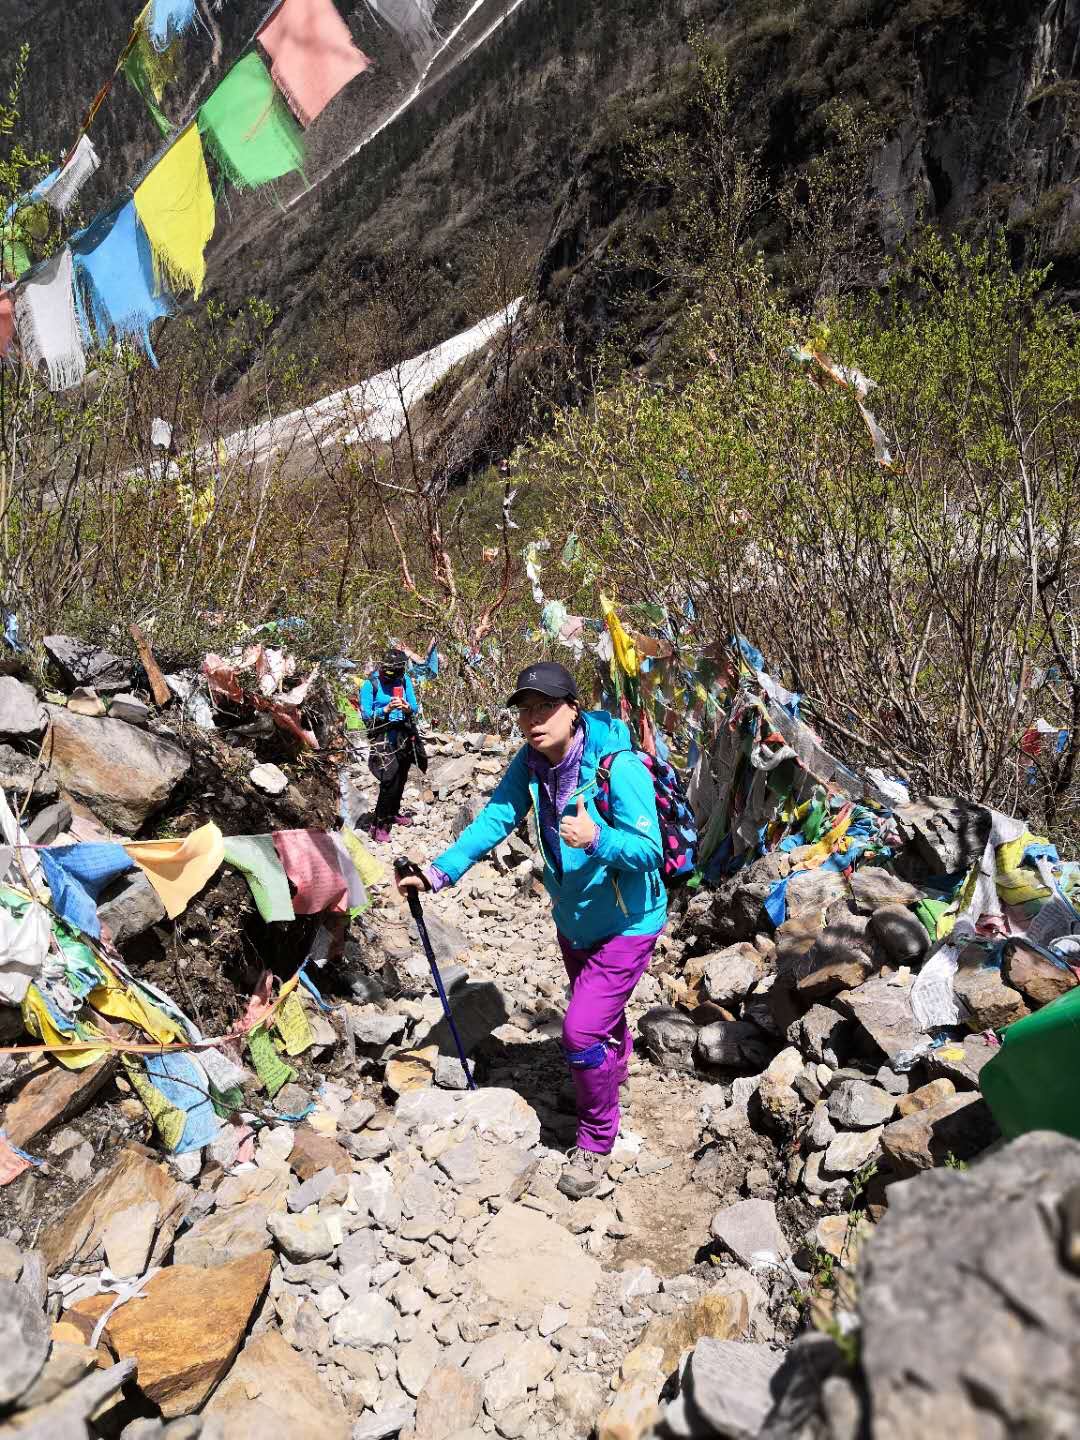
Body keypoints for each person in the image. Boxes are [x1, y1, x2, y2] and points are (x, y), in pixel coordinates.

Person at [396, 661, 666, 1199]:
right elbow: (496, 817)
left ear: (573, 708)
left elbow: (650, 852)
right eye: (525, 709)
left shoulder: (619, 767)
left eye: (545, 707)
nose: (533, 719)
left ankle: (595, 1141)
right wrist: (438, 871)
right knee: (601, 1026)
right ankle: (607, 1084)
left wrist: (598, 839)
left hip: (628, 923)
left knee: (581, 1032)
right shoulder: (533, 762)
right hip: (574, 920)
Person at [361, 649, 421, 843]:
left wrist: (405, 707)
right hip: (383, 734)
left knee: (401, 776)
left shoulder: (404, 681)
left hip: (403, 732)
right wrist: (385, 709)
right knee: (388, 779)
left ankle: (393, 812)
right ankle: (379, 823)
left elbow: (414, 706)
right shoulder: (370, 684)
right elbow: (367, 716)